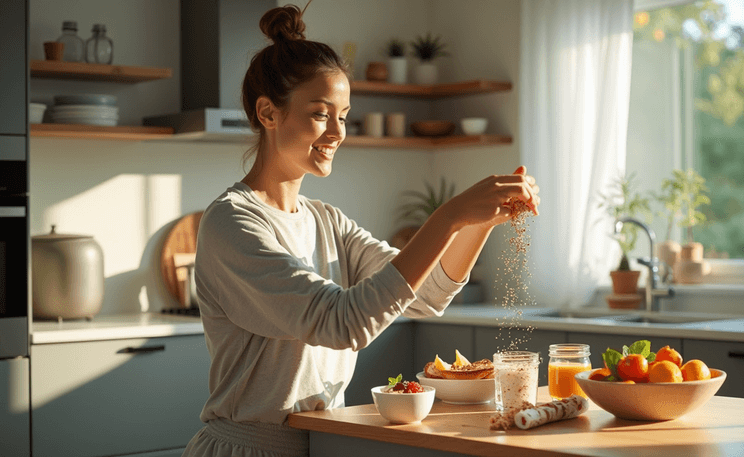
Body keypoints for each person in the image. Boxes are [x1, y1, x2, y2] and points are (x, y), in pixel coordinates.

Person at [182, 2, 540, 456]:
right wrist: (448, 215)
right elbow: (342, 322)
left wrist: (478, 222)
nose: (337, 132)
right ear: (268, 113)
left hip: (327, 443)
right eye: (319, 113)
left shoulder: (326, 220)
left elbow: (426, 296)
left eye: (344, 115)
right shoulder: (232, 222)